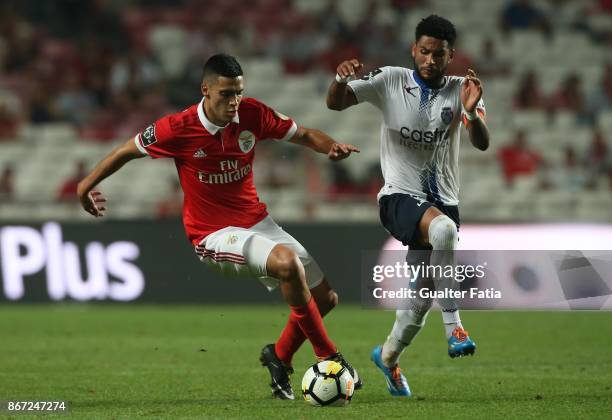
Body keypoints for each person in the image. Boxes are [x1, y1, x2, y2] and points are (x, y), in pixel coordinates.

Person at [77, 54, 361, 400]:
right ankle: (329, 357)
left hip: (257, 222)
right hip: (211, 235)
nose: (234, 102)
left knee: (325, 298)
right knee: (287, 263)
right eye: (226, 94)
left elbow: (302, 134)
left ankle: (279, 356)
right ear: (206, 90)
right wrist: (85, 185)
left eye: (239, 93)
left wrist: (330, 146)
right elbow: (126, 150)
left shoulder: (253, 114)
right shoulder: (177, 128)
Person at [326, 15, 490, 397]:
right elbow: (335, 104)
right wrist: (338, 79)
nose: (430, 59)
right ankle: (456, 329)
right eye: (425, 51)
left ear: (450, 56)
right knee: (444, 231)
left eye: (439, 54)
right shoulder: (390, 80)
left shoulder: (462, 89)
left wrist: (469, 111)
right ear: (414, 49)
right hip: (398, 196)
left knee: (420, 296)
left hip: (443, 201)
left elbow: (481, 141)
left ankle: (388, 356)